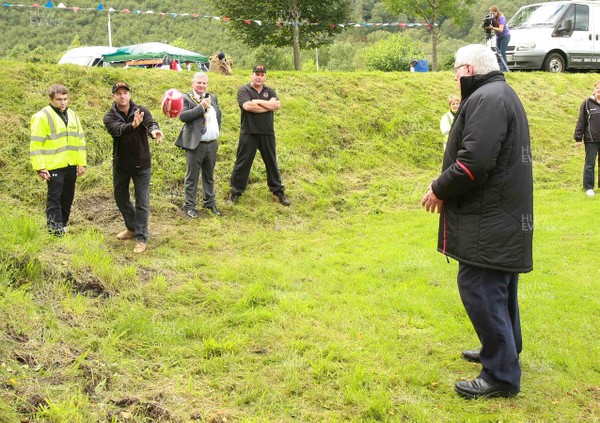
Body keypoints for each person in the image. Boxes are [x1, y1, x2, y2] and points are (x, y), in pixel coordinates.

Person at [421, 44, 533, 399]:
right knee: (498, 288)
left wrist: (439, 189)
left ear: (468, 69)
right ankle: (504, 351)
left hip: (490, 217)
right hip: (498, 214)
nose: (453, 76)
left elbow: (474, 162)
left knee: (480, 287)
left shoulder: (488, 98)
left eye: (455, 69)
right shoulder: (497, 93)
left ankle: (500, 374)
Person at [103, 82, 164, 253]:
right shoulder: (109, 117)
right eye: (119, 93)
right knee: (120, 197)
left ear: (129, 94)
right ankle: (132, 227)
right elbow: (118, 130)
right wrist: (133, 125)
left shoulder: (141, 110)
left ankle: (141, 237)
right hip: (121, 164)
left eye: (125, 93)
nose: (123, 96)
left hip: (141, 163)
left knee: (142, 201)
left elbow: (151, 124)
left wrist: (154, 132)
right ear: (113, 96)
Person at [227, 65, 290, 206]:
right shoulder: (244, 90)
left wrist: (259, 102)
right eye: (257, 74)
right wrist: (268, 105)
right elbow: (248, 107)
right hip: (248, 132)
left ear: (265, 76)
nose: (259, 77)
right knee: (242, 163)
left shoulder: (270, 91)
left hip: (267, 133)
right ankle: (235, 192)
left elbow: (277, 106)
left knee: (272, 163)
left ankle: (278, 191)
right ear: (252, 75)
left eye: (262, 74)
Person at [30, 84, 86, 236]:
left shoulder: (73, 115)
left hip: (71, 164)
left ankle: (63, 225)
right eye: (59, 99)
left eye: (65, 99)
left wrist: (82, 163)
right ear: (50, 99)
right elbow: (36, 144)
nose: (63, 102)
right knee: (54, 198)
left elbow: (80, 141)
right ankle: (55, 231)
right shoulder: (42, 116)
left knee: (68, 196)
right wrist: (40, 167)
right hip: (53, 166)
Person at [175, 72, 223, 217]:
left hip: (212, 143)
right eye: (199, 83)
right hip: (196, 144)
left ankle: (210, 203)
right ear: (193, 83)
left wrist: (215, 132)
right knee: (192, 177)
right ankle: (190, 206)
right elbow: (183, 116)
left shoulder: (212, 97)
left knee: (209, 176)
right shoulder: (186, 98)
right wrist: (200, 107)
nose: (201, 86)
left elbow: (218, 115)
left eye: (204, 83)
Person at [574, 80, 600, 197]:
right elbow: (581, 121)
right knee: (590, 164)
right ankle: (588, 187)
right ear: (594, 89)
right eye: (597, 88)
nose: (599, 90)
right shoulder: (587, 103)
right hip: (591, 139)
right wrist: (578, 138)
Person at [487, 5, 511, 72]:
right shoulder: (492, 18)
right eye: (491, 13)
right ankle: (499, 68)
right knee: (498, 52)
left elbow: (500, 29)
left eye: (493, 13)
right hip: (498, 36)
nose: (492, 14)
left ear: (497, 12)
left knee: (502, 52)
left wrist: (492, 28)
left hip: (505, 36)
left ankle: (504, 69)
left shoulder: (501, 18)